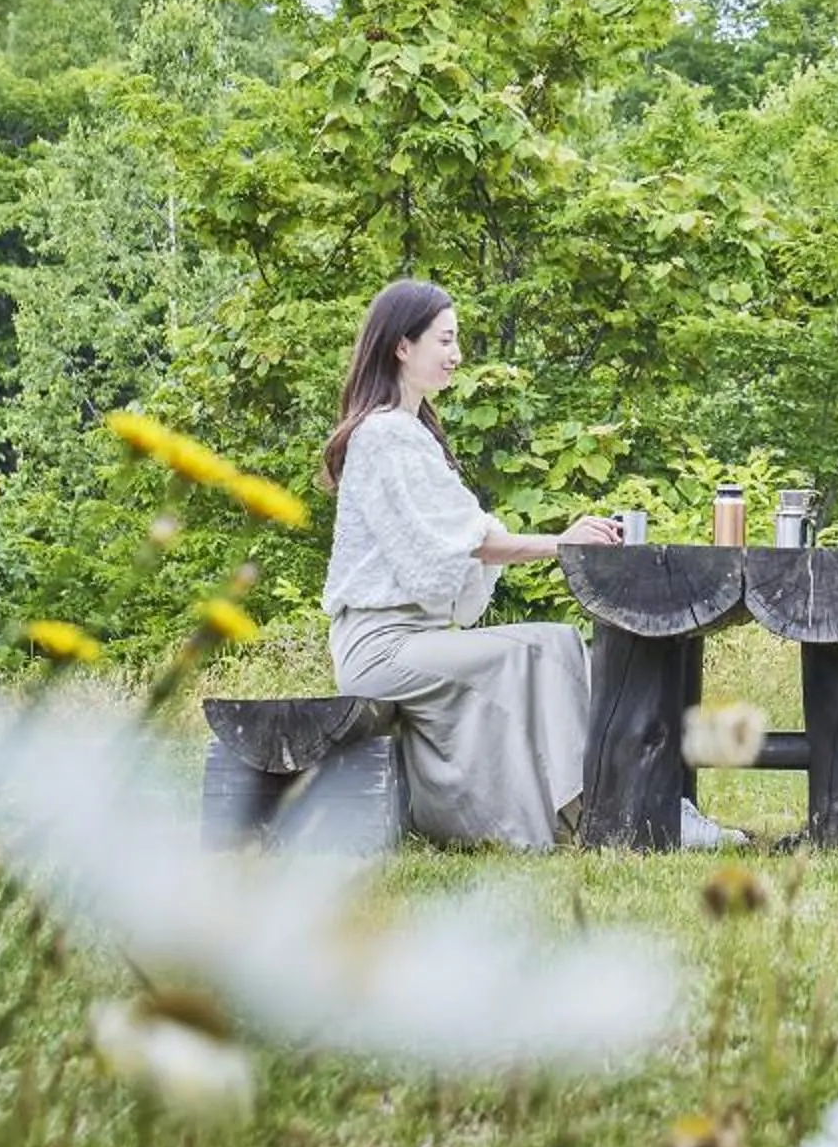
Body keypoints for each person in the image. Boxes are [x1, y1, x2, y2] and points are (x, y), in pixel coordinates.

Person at [318, 279, 743, 850]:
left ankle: (631, 805)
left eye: (456, 340)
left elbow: (464, 534)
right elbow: (468, 541)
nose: (456, 355)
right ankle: (611, 809)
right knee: (551, 646)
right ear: (402, 345)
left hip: (409, 641)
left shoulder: (408, 433)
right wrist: (564, 543)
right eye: (445, 340)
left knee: (551, 649)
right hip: (380, 647)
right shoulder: (386, 436)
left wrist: (551, 541)